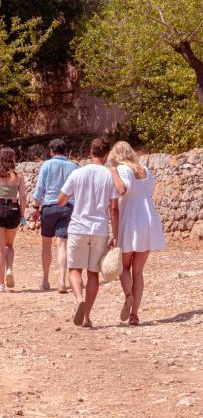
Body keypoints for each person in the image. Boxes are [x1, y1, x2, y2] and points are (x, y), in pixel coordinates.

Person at [58, 136, 119, 327]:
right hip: (99, 229)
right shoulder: (110, 176)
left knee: (74, 269)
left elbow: (61, 199)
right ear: (107, 154)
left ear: (90, 152)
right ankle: (87, 317)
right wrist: (115, 234)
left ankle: (79, 300)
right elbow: (114, 208)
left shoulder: (78, 173)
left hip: (78, 227)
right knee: (93, 273)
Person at [108, 141, 166, 326]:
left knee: (123, 267)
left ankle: (128, 295)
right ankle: (134, 315)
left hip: (130, 219)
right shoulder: (146, 170)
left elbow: (121, 189)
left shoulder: (122, 170)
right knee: (138, 271)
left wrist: (113, 171)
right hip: (148, 219)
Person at [31, 138, 79, 293]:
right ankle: (62, 281)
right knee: (62, 244)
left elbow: (40, 188)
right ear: (65, 151)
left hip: (50, 207)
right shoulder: (74, 166)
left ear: (51, 151)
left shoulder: (47, 165)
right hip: (67, 207)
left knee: (46, 244)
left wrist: (36, 207)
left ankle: (45, 280)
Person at [0, 147, 26, 292]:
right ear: (13, 158)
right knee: (9, 245)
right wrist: (22, 216)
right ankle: (9, 269)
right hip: (13, 210)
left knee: (0, 248)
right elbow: (22, 197)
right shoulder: (19, 175)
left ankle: (1, 284)